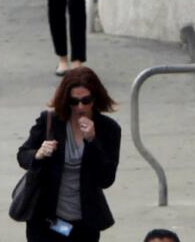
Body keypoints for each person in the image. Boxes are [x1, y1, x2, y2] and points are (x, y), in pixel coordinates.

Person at [16, 67, 120, 242]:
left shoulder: (108, 129)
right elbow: (23, 155)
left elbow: (106, 179)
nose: (80, 107)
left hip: (84, 223)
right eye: (74, 101)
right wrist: (38, 154)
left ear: (95, 98)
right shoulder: (50, 121)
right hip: (47, 221)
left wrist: (93, 142)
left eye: (86, 100)